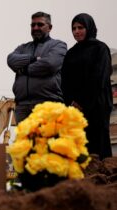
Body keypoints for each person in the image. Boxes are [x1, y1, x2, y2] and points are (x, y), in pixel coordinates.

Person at [61, 13, 113, 159]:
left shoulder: (100, 48)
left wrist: (83, 102)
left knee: (99, 146)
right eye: (74, 28)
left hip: (97, 106)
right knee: (80, 147)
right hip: (75, 109)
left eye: (81, 27)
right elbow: (64, 81)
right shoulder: (71, 53)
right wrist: (71, 102)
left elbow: (100, 78)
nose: (77, 31)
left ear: (89, 28)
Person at [7, 11, 67, 123]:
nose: (35, 28)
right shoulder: (23, 47)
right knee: (26, 141)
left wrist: (24, 69)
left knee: (46, 141)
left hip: (47, 105)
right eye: (33, 25)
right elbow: (11, 60)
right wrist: (33, 59)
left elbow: (49, 64)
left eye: (40, 24)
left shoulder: (58, 45)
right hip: (22, 107)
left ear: (49, 27)